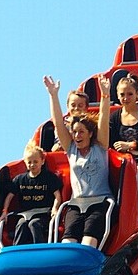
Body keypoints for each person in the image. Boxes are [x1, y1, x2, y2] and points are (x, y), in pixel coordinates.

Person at [46, 74, 112, 248]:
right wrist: (53, 95)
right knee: (68, 241)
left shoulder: (100, 147)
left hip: (99, 202)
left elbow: (104, 121)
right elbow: (59, 124)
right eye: (74, 132)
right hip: (77, 203)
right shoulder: (71, 149)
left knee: (88, 241)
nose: (77, 136)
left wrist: (105, 95)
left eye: (81, 132)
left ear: (90, 133)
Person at [1, 144, 62, 245]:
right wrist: (5, 211)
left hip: (43, 213)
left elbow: (57, 196)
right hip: (25, 213)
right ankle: (17, 251)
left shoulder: (49, 177)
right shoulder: (20, 179)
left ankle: (39, 248)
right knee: (21, 224)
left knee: (34, 224)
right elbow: (9, 196)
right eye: (29, 162)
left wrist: (55, 208)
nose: (32, 165)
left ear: (42, 161)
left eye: (35, 162)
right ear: (25, 163)